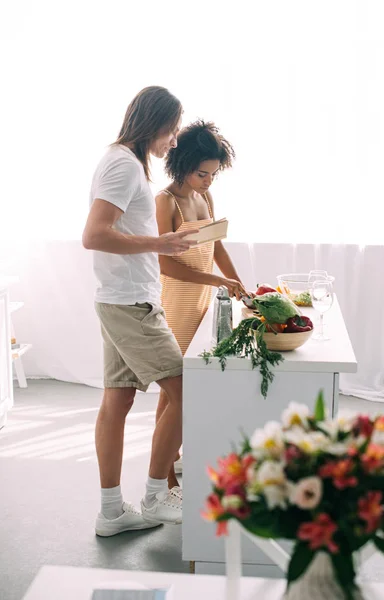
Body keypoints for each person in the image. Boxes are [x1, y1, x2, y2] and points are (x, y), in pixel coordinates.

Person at [82, 86, 198, 536]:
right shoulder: (124, 166)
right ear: (155, 123)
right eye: (172, 130)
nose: (173, 140)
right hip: (131, 303)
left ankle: (112, 511)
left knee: (118, 400)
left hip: (119, 298)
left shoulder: (122, 162)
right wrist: (161, 243)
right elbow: (94, 234)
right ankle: (154, 496)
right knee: (189, 392)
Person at [155, 120, 250, 489]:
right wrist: (217, 281)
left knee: (190, 381)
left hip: (200, 299)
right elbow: (164, 262)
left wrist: (236, 282)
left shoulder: (205, 197)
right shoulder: (165, 201)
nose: (209, 180)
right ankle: (163, 476)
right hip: (177, 300)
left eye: (213, 174)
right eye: (202, 173)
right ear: (181, 165)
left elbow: (216, 245)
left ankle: (172, 458)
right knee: (173, 391)